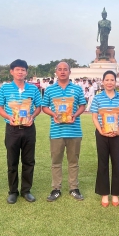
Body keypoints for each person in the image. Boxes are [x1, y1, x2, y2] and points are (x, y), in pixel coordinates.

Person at [0, 59, 42, 204]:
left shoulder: (33, 89)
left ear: (26, 72)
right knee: (12, 161)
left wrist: (32, 117)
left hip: (29, 129)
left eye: (23, 70)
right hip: (12, 129)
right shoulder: (5, 88)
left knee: (29, 161)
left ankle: (26, 190)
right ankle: (13, 191)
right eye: (17, 69)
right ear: (12, 71)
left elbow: (39, 107)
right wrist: (9, 117)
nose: (20, 72)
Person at [42, 62, 86, 202]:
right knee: (56, 162)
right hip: (56, 132)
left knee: (73, 161)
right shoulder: (50, 90)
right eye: (59, 69)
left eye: (65, 69)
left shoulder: (77, 89)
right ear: (56, 72)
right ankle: (56, 188)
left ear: (69, 72)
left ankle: (74, 188)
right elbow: (44, 106)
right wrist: (54, 115)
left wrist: (75, 115)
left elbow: (82, 105)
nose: (62, 72)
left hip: (74, 131)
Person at [90, 70, 119, 207]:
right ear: (103, 81)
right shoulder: (98, 98)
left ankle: (116, 193)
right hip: (102, 134)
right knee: (103, 162)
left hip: (117, 135)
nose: (109, 82)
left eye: (112, 80)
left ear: (115, 82)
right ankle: (104, 193)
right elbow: (94, 116)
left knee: (116, 163)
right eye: (107, 80)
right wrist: (101, 131)